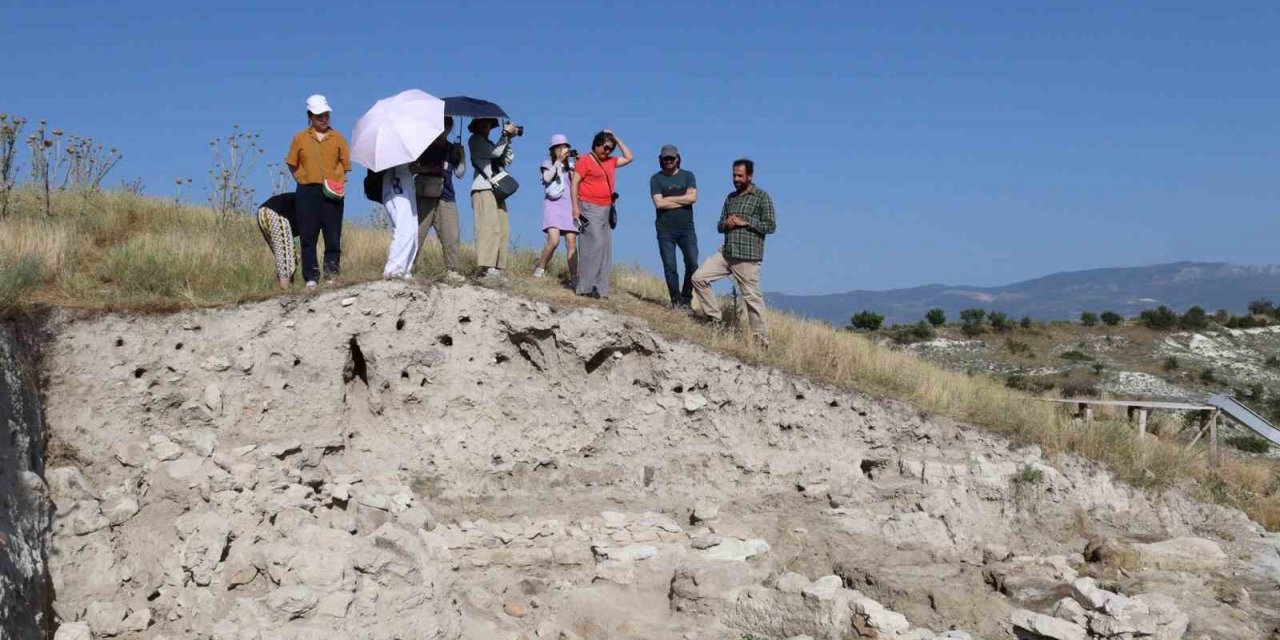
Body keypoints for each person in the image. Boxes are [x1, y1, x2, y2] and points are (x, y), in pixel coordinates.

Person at [691, 158, 776, 346]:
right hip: (727, 253)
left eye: (740, 175)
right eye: (734, 175)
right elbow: (719, 226)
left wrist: (746, 222)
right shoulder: (730, 198)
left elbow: (771, 226)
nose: (736, 179)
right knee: (698, 278)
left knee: (752, 298)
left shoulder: (762, 197)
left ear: (750, 176)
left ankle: (760, 340)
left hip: (747, 257)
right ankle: (715, 320)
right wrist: (726, 224)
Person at [285, 94, 351, 290]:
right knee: (308, 235)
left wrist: (339, 181)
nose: (324, 119)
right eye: (319, 116)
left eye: (326, 115)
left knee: (332, 234)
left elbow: (345, 164)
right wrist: (302, 179)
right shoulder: (300, 138)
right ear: (310, 116)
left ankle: (332, 275)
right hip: (307, 191)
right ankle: (311, 277)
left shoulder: (338, 137)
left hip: (332, 191)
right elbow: (292, 163)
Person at [572, 129, 633, 298]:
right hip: (589, 206)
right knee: (592, 245)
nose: (608, 151)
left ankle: (600, 288)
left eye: (611, 149)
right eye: (605, 147)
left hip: (606, 207)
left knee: (605, 249)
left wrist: (616, 138)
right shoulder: (584, 160)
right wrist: (575, 208)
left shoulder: (611, 161)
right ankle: (585, 286)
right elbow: (574, 183)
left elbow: (629, 157)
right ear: (596, 144)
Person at [410, 116, 466, 282]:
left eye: (448, 124)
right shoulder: (423, 145)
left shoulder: (452, 148)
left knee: (451, 235)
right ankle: (407, 267)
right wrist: (428, 168)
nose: (446, 127)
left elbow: (460, 173)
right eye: (443, 124)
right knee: (417, 232)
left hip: (446, 194)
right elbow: (413, 167)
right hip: (425, 194)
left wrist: (461, 156)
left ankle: (452, 271)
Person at [649, 144, 698, 308]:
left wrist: (668, 199)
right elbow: (659, 204)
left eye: (671, 158)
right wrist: (682, 198)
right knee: (670, 267)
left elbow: (693, 199)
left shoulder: (688, 175)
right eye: (665, 158)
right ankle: (676, 302)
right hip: (665, 230)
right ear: (661, 160)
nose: (669, 161)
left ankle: (686, 298)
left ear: (678, 158)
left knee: (692, 263)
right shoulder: (656, 179)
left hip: (686, 229)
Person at [468, 118, 518, 279]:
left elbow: (506, 160)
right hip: (482, 188)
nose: (487, 126)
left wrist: (508, 140)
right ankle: (487, 266)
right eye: (484, 123)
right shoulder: (475, 140)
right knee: (488, 228)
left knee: (502, 228)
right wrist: (504, 135)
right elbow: (495, 153)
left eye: (489, 124)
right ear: (476, 126)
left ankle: (498, 266)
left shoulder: (489, 142)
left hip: (496, 189)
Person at [533, 134, 577, 281]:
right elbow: (547, 178)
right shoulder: (547, 163)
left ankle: (574, 277)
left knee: (571, 243)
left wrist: (578, 162)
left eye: (565, 147)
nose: (563, 150)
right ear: (553, 150)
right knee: (554, 241)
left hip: (569, 207)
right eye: (560, 147)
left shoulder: (571, 167)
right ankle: (540, 268)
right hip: (553, 205)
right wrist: (558, 162)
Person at [380, 161, 418, 279]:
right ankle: (393, 270)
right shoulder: (394, 154)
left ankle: (405, 268)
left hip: (405, 185)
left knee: (413, 232)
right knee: (404, 230)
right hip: (398, 190)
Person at [256, 192, 299, 290]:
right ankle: (285, 290)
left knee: (288, 256)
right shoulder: (313, 206)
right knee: (286, 257)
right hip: (275, 213)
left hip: (262, 213)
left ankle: (287, 287)